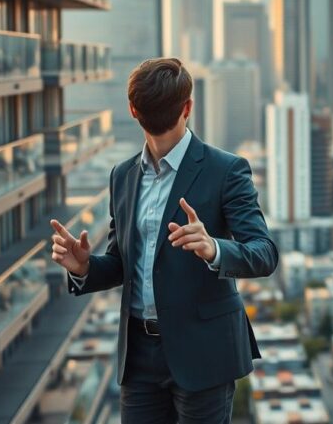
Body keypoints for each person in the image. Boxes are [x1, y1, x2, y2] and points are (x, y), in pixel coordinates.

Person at [50, 57, 278, 423]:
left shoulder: (226, 170)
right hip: (139, 357)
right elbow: (124, 265)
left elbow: (264, 253)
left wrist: (214, 248)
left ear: (132, 110)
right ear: (187, 107)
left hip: (203, 352)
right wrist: (84, 268)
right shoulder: (122, 176)